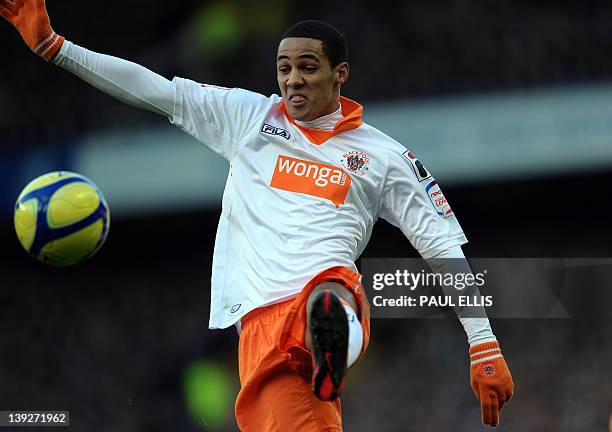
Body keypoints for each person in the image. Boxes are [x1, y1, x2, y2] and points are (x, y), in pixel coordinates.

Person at [0, 1, 514, 430]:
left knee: (331, 295)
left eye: (308, 67)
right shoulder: (250, 117)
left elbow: (442, 247)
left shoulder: (383, 157)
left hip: (321, 287)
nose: (293, 80)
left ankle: (332, 333)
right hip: (258, 329)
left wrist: (483, 342)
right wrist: (55, 48)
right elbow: (154, 89)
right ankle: (327, 346)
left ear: (341, 73)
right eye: (284, 68)